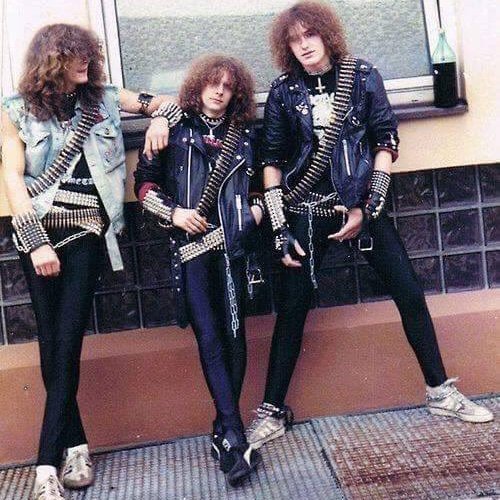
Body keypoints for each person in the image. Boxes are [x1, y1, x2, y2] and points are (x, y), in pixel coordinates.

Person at [247, 0, 493, 450]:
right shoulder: (283, 91)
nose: (304, 46)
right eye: (295, 40)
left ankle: (440, 392)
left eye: (310, 35)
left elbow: (385, 140)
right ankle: (271, 412)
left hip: (360, 204)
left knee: (409, 292)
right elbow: (272, 161)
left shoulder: (361, 76)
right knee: (293, 307)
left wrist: (368, 206)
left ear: (326, 35)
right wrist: (280, 228)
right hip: (306, 210)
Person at [1, 23, 174, 500]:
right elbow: (13, 180)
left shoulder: (105, 99)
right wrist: (36, 242)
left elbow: (165, 103)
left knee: (68, 340)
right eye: (75, 55)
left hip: (85, 234)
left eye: (89, 54)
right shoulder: (14, 111)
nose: (87, 62)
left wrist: (160, 119)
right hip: (37, 233)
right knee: (52, 342)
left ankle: (44, 466)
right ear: (51, 60)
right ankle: (76, 447)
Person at [134, 54, 263, 486]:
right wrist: (174, 213)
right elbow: (144, 185)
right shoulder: (174, 127)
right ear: (198, 86)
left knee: (235, 339)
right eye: (213, 83)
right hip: (191, 252)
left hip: (234, 250)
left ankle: (224, 432)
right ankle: (236, 435)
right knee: (209, 337)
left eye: (228, 86)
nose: (219, 91)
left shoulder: (245, 135)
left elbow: (264, 188)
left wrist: (254, 215)